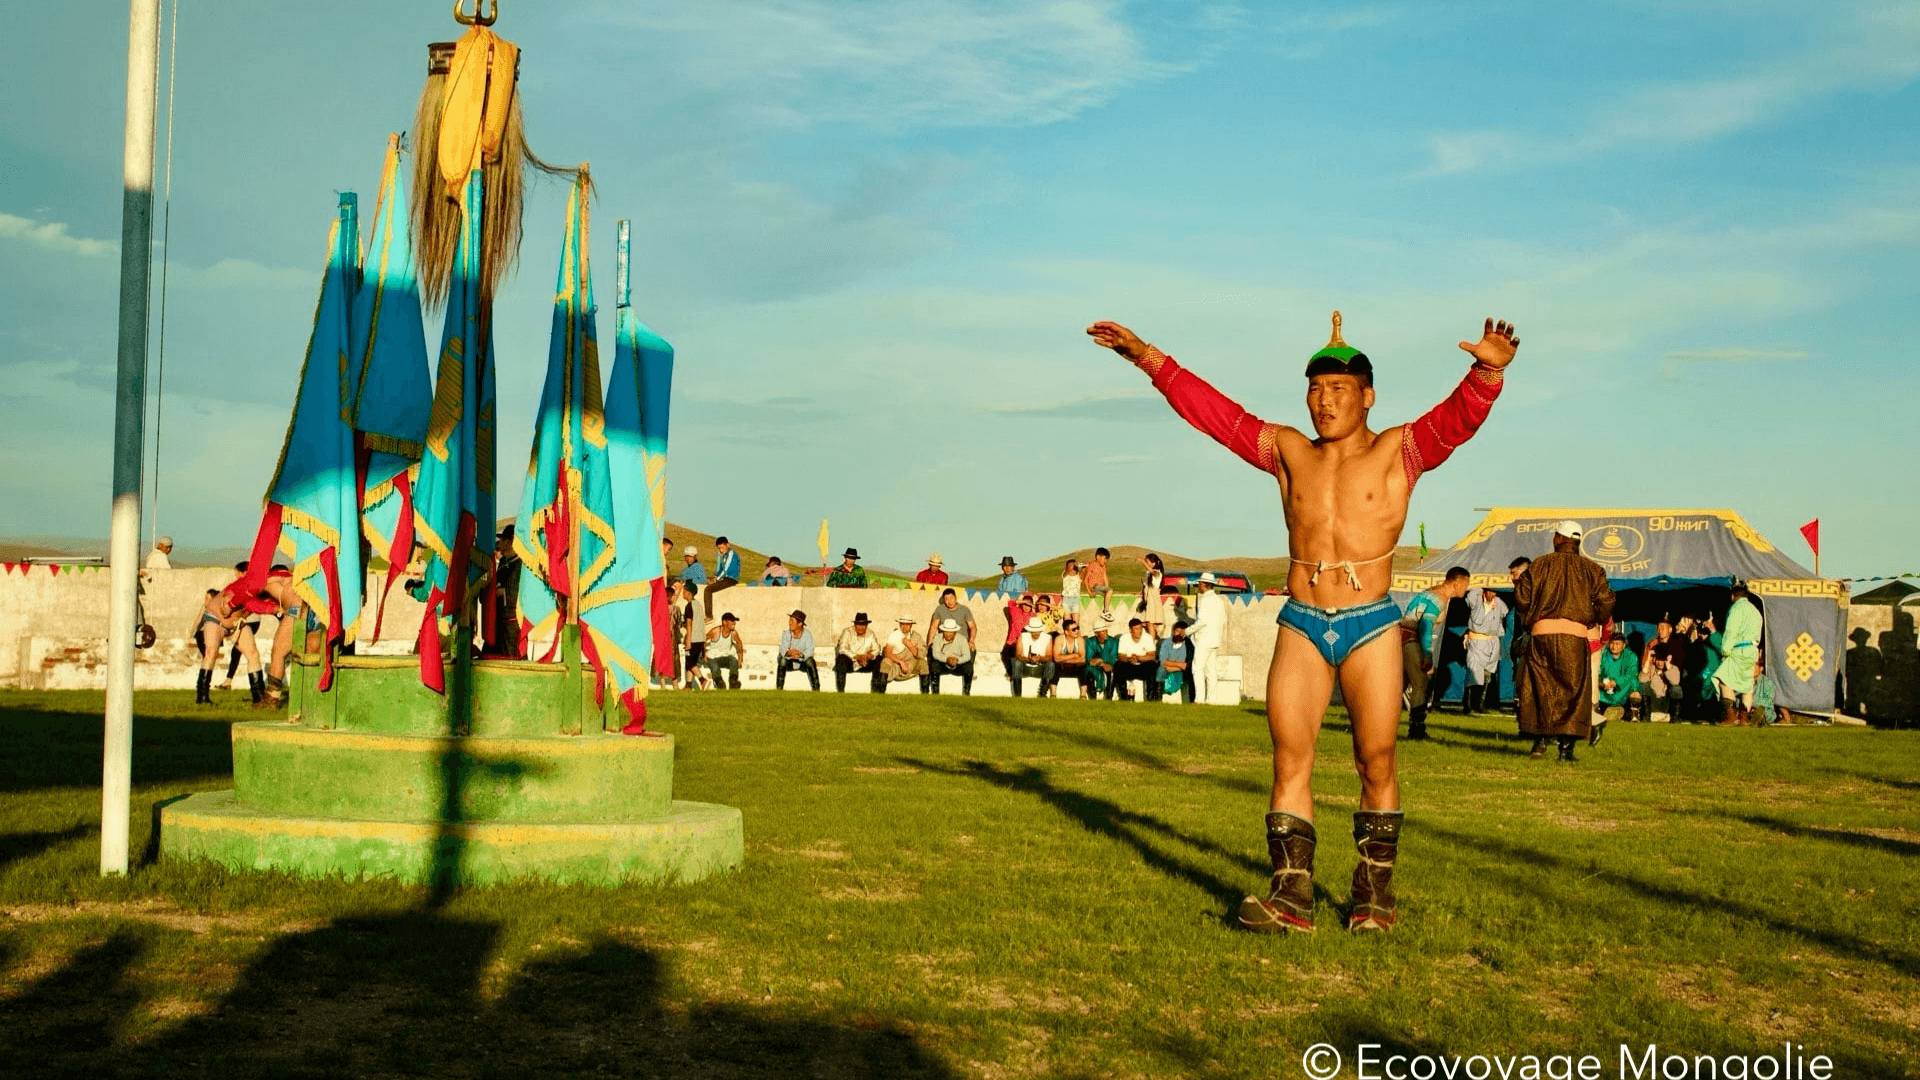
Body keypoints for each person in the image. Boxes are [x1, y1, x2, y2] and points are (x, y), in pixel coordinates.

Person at [1090, 309, 1517, 933]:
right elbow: (1220, 418)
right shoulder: (1288, 450)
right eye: (1315, 389)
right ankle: (1291, 898)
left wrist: (1485, 375)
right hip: (1303, 621)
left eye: (1339, 390)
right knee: (1290, 760)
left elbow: (1453, 424)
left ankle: (1374, 896)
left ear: (1368, 396)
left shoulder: (1402, 450)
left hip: (1371, 621)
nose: (1324, 401)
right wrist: (1148, 357)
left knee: (1377, 761)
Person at [1515, 521, 1615, 761]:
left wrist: (1532, 618)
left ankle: (1539, 744)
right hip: (1574, 637)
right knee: (1574, 693)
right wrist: (1593, 619)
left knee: (1540, 688)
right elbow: (1607, 600)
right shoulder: (1592, 568)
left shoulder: (1539, 564)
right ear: (1577, 542)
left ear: (1558, 538)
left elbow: (1521, 597)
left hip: (1541, 636)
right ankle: (1566, 750)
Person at [1402, 568, 1471, 739]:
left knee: (1401, 686)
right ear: (1457, 583)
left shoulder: (1433, 593)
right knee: (1422, 682)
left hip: (1404, 638)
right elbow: (1425, 626)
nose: (1466, 588)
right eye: (1466, 584)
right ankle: (1416, 729)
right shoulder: (1439, 598)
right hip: (1409, 638)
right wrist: (1427, 655)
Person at [1714, 584, 1765, 726]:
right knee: (1747, 684)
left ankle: (1731, 717)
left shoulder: (1736, 609)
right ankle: (1744, 718)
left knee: (1724, 681)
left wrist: (1725, 651)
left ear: (1732, 596)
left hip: (1739, 649)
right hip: (1752, 650)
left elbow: (1731, 631)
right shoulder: (1755, 611)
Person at [218, 561, 264, 695]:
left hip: (247, 621)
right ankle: (255, 693)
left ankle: (256, 694)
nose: (236, 575)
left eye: (238, 573)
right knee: (240, 652)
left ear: (244, 573)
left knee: (249, 654)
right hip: (251, 621)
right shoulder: (252, 585)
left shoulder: (245, 585)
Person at [1462, 586, 1508, 714]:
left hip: (1492, 641)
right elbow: (1470, 596)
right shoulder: (1476, 599)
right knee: (1473, 671)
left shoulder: (1500, 604)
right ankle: (1467, 704)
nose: (1491, 594)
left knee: (1487, 675)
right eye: (1489, 590)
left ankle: (1480, 704)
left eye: (1494, 591)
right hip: (1476, 640)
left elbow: (1504, 616)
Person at [1187, 571, 1227, 705]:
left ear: (1204, 585)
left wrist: (1186, 631)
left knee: (1197, 668)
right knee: (1211, 671)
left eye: (1200, 583)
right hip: (1215, 639)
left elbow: (1201, 621)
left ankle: (1199, 699)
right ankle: (1211, 700)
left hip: (1204, 639)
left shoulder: (1205, 600)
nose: (1198, 586)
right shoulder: (1219, 601)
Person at [1638, 616, 1687, 722]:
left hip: (1668, 694)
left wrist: (1668, 666)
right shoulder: (1652, 644)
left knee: (1677, 688)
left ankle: (1675, 718)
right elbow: (1643, 677)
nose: (1660, 631)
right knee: (1643, 686)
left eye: (1663, 628)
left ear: (1670, 629)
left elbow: (1676, 679)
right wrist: (1648, 664)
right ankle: (1646, 716)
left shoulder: (1677, 645)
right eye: (1659, 628)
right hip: (1654, 697)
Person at [1595, 632, 1641, 730]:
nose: (1614, 646)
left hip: (1623, 688)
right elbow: (1598, 672)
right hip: (1605, 691)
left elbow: (1631, 675)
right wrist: (1602, 683)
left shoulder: (1631, 656)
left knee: (1634, 685)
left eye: (1617, 644)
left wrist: (1616, 682)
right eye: (1612, 643)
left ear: (1623, 645)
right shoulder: (1604, 655)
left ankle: (1634, 714)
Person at [834, 612, 885, 693]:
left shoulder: (870, 633)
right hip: (851, 662)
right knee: (841, 659)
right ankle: (840, 692)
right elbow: (842, 648)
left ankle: (875, 692)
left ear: (867, 625)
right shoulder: (847, 632)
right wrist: (856, 656)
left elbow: (877, 649)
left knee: (879, 659)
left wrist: (868, 656)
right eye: (858, 625)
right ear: (855, 625)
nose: (861, 628)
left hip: (865, 663)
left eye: (863, 625)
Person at [1506, 557, 1532, 716]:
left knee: (1527, 680)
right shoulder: (1520, 590)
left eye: (1514, 573)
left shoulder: (1533, 589)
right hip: (1524, 639)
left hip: (1534, 639)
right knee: (1521, 679)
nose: (1512, 577)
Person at [1115, 617, 1160, 702]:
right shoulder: (1124, 638)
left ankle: (1150, 698)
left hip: (1143, 666)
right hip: (1129, 665)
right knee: (1118, 665)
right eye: (1136, 629)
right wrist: (1129, 659)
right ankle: (1123, 698)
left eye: (1140, 628)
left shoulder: (1148, 637)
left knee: (1152, 665)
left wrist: (1139, 658)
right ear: (1130, 629)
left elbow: (1152, 655)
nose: (1139, 631)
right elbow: (1121, 655)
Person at [775, 609, 820, 690]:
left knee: (810, 661)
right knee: (782, 660)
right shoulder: (786, 634)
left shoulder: (807, 634)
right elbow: (782, 649)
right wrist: (789, 653)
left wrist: (800, 654)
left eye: (792, 621)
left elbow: (810, 651)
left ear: (800, 623)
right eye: (790, 620)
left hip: (802, 662)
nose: (790, 623)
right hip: (789, 662)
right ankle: (779, 688)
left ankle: (816, 689)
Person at [929, 618, 975, 695]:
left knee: (969, 666)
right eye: (946, 631)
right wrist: (947, 659)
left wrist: (957, 660)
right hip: (943, 663)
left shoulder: (962, 639)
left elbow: (967, 656)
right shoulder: (937, 638)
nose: (948, 634)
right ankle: (935, 692)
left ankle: (966, 691)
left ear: (954, 632)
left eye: (950, 632)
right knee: (934, 665)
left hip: (957, 664)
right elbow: (935, 654)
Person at [1001, 594, 1035, 696]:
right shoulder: (1016, 611)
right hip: (1012, 642)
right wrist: (1022, 602)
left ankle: (1015, 675)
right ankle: (1010, 672)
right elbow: (1010, 602)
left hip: (1025, 644)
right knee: (1005, 653)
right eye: (1025, 604)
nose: (1026, 607)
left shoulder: (1033, 615)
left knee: (1017, 662)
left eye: (1029, 605)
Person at [883, 615, 928, 691]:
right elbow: (887, 653)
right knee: (885, 663)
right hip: (897, 663)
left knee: (923, 664)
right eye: (902, 624)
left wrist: (910, 645)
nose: (904, 627)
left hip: (911, 664)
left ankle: (925, 693)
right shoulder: (895, 634)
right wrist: (901, 662)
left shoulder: (916, 636)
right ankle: (880, 693)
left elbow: (922, 654)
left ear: (911, 625)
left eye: (907, 624)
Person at [925, 589, 977, 654]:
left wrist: (971, 641)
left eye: (951, 598)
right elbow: (933, 627)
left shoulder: (965, 610)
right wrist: (930, 643)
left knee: (971, 652)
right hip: (945, 642)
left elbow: (972, 627)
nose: (949, 601)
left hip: (962, 643)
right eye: (946, 599)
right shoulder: (940, 609)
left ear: (955, 598)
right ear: (944, 600)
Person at [677, 580, 708, 689]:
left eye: (684, 591)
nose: (682, 593)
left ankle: (702, 680)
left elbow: (689, 624)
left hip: (694, 638)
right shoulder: (699, 605)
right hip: (701, 638)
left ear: (689, 593)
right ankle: (688, 685)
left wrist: (688, 640)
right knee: (691, 662)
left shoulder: (689, 606)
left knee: (689, 662)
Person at [1013, 617, 1055, 696]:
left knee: (1051, 665)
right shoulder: (1022, 636)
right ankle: (1017, 695)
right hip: (1025, 665)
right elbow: (1018, 655)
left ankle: (1043, 693)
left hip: (1040, 666)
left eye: (1038, 630)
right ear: (1030, 630)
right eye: (1033, 631)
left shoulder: (1047, 638)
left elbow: (1049, 656)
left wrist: (1039, 659)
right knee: (1016, 663)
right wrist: (1028, 659)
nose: (1036, 633)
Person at [1159, 621, 1196, 703]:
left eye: (1181, 632)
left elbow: (1188, 665)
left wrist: (1171, 666)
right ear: (1173, 631)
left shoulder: (1189, 644)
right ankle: (1156, 700)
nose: (1179, 634)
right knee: (1159, 672)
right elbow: (1163, 662)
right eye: (1177, 631)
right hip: (1168, 669)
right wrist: (1179, 665)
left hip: (1183, 672)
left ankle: (1191, 701)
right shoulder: (1166, 643)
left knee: (1192, 674)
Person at [1085, 613, 1120, 699]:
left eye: (1106, 631)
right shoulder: (1090, 642)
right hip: (1095, 667)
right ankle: (1092, 697)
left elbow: (1112, 658)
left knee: (1111, 672)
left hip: (1109, 665)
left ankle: (1108, 697)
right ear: (1097, 634)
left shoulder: (1113, 641)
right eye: (1103, 631)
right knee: (1089, 673)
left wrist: (1099, 661)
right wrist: (1102, 664)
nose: (1106, 634)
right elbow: (1089, 659)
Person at [704, 612, 744, 689]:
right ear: (724, 622)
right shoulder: (715, 631)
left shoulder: (733, 633)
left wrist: (740, 658)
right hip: (713, 657)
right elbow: (704, 640)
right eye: (732, 621)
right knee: (714, 666)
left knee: (733, 661)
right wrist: (704, 654)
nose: (734, 623)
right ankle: (719, 682)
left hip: (725, 657)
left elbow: (739, 643)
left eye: (734, 621)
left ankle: (733, 681)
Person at [1051, 617, 1088, 697]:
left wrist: (1063, 659)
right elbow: (1056, 658)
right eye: (1074, 629)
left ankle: (1083, 695)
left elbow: (1082, 658)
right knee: (1054, 666)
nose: (1077, 631)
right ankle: (1053, 694)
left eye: (1077, 628)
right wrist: (1074, 655)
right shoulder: (1059, 639)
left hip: (1075, 666)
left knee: (1083, 667)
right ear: (1066, 632)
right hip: (1062, 666)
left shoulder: (1080, 639)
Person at [705, 536, 740, 618]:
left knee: (708, 590)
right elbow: (719, 570)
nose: (721, 550)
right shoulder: (723, 555)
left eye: (722, 547)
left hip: (731, 579)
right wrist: (714, 578)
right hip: (724, 578)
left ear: (727, 545)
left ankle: (709, 615)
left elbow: (726, 569)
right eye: (719, 548)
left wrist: (717, 579)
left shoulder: (731, 554)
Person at [1139, 553, 1167, 635]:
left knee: (1150, 621)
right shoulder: (1148, 573)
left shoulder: (1157, 572)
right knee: (1149, 622)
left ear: (1153, 563)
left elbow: (1152, 572)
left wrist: (1143, 562)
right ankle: (1154, 639)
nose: (1146, 563)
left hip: (1153, 597)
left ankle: (1152, 641)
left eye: (1148, 562)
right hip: (1147, 597)